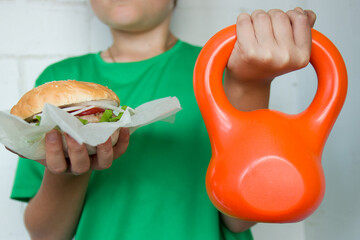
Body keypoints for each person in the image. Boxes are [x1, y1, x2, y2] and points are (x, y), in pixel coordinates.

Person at [10, 0, 316, 239]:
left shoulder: (227, 68)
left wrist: (252, 85)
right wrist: (67, 171)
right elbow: (45, 234)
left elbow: (241, 218)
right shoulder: (53, 85)